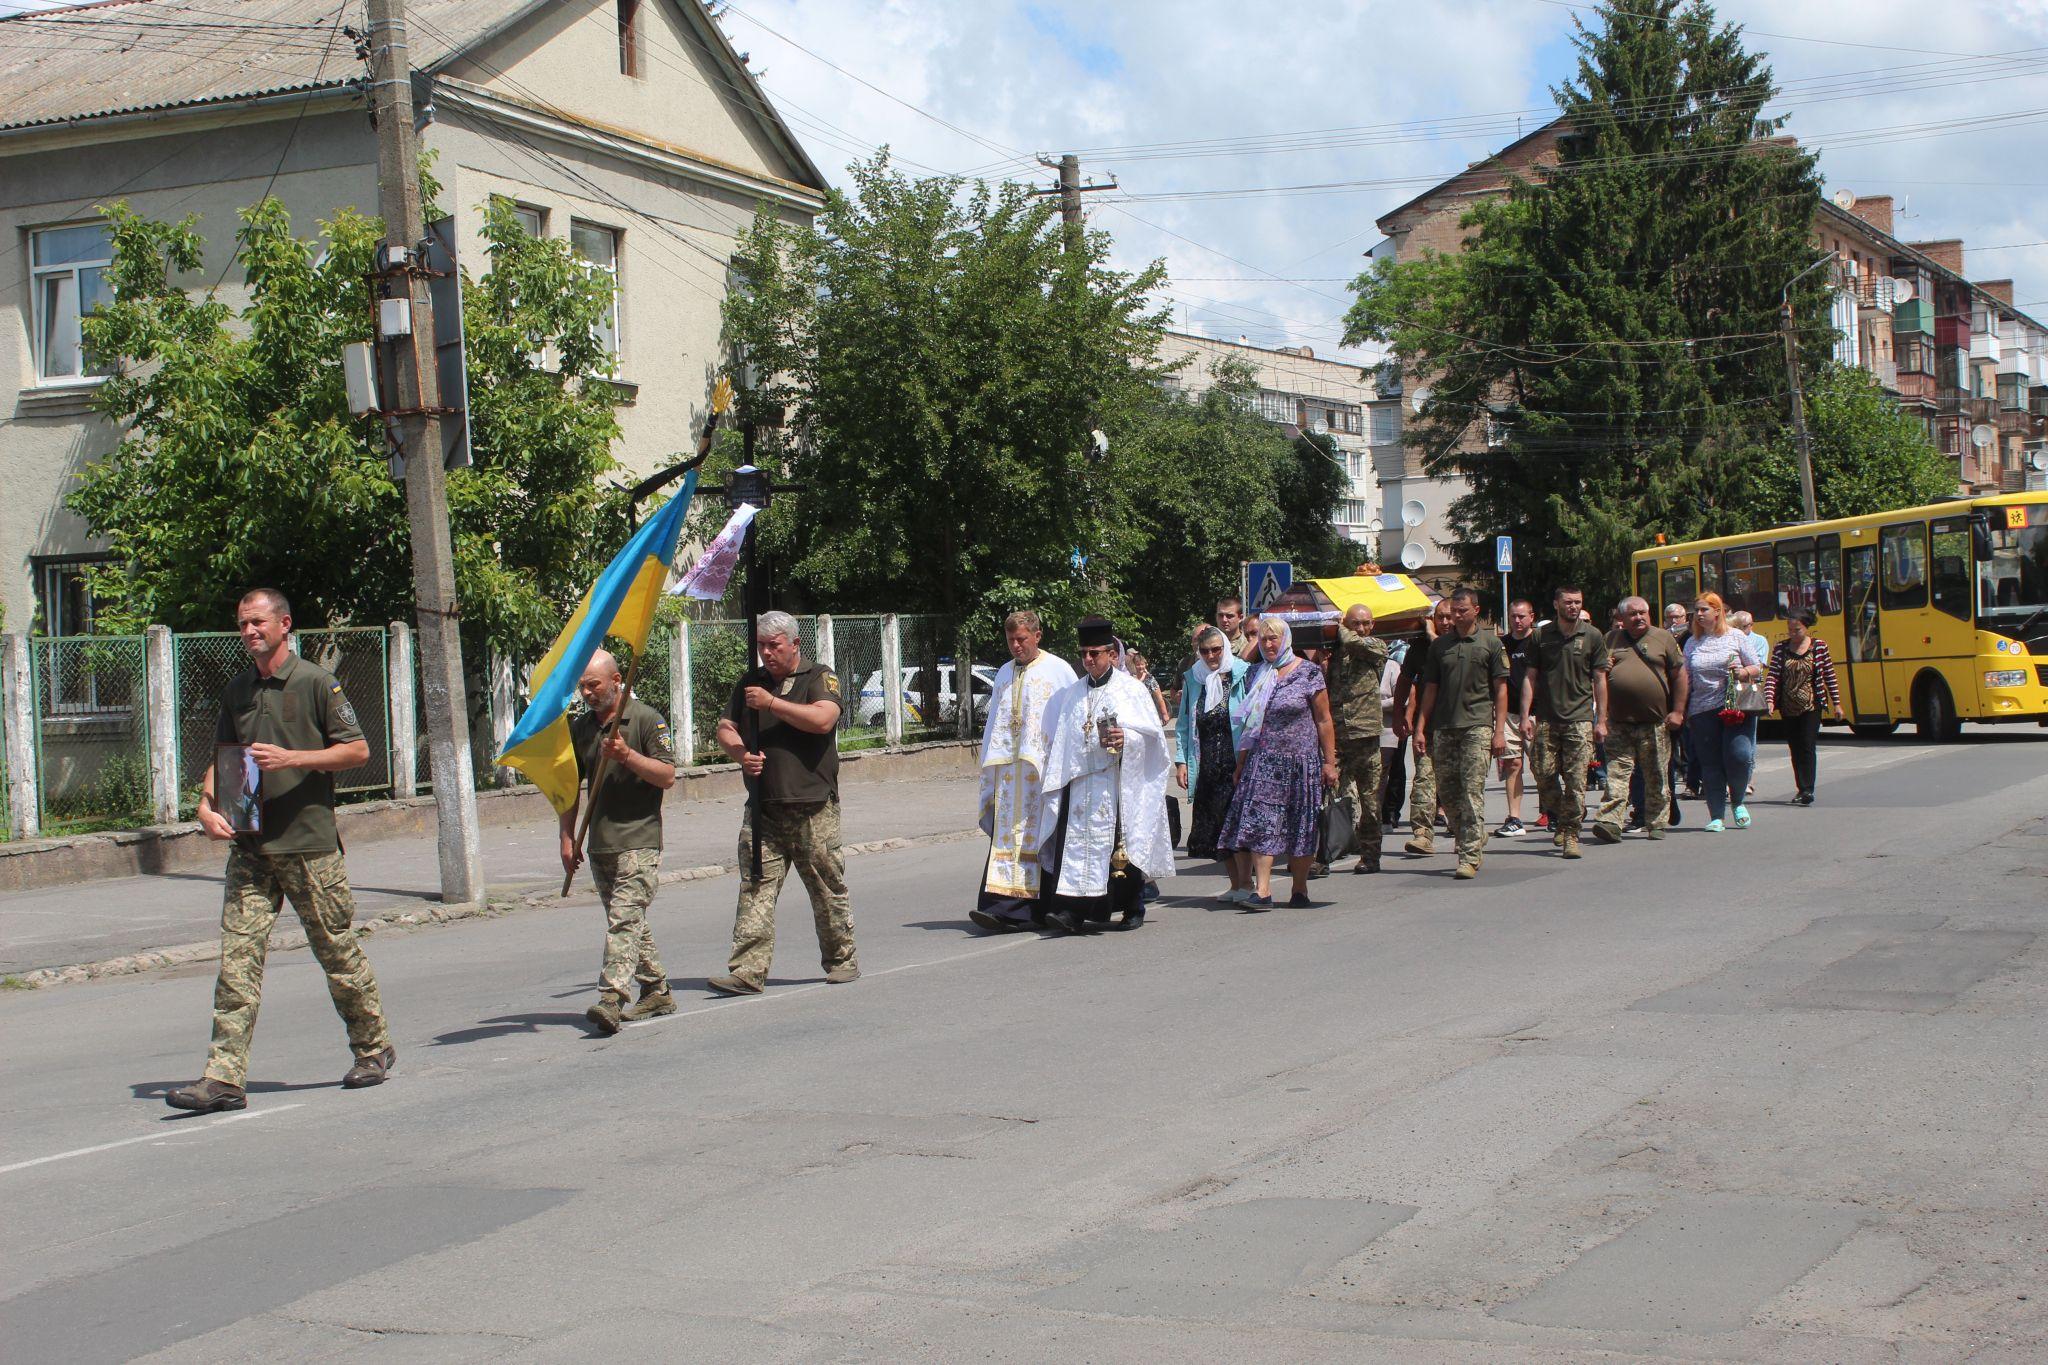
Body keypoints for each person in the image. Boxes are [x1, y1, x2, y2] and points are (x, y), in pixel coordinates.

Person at [165, 589, 393, 1112]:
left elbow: (357, 750)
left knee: (336, 952)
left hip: (309, 845)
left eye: (258, 622)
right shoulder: (239, 688)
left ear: (284, 623)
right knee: (237, 962)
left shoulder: (316, 682)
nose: (249, 631)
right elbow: (224, 758)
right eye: (242, 623)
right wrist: (203, 806)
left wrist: (295, 756)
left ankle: (373, 1048)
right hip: (251, 846)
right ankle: (223, 1078)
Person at [707, 611, 857, 994]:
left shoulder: (819, 677)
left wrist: (772, 704)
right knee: (756, 886)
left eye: (774, 646)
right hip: (764, 808)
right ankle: (747, 970)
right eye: (761, 646)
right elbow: (726, 727)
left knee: (826, 887)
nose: (767, 653)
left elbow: (823, 719)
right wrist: (741, 754)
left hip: (813, 806)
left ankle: (841, 959)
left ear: (794, 644)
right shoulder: (750, 683)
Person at [564, 649, 680, 1034]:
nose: (587, 693)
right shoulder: (581, 728)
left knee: (623, 920)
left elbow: (666, 775)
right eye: (582, 686)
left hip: (640, 838)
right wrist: (567, 837)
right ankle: (657, 989)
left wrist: (627, 755)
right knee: (630, 923)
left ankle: (611, 997)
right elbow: (568, 787)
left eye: (594, 684)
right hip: (600, 841)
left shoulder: (646, 719)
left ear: (617, 681)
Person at [1037, 616, 1175, 933]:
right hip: (1082, 785)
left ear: (1111, 653)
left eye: (1094, 653)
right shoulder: (1072, 695)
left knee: (1120, 849)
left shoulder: (1131, 691)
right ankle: (1073, 911)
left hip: (1118, 782)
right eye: (1083, 653)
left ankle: (1132, 906)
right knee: (1077, 850)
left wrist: (1128, 738)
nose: (1088, 660)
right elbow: (1063, 741)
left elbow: (1154, 738)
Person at [1217, 615, 1338, 908]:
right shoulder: (1256, 673)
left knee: (1301, 826)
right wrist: (1241, 763)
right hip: (1263, 764)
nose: (1269, 644)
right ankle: (1263, 891)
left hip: (1301, 763)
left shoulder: (1309, 673)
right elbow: (1250, 724)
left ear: (1286, 640)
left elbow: (1323, 720)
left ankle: (1299, 889)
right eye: (1264, 638)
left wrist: (1329, 762)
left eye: (1274, 638)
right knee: (1261, 825)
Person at [969, 610, 1076, 934]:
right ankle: (1004, 909)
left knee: (1043, 834)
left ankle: (1047, 908)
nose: (1015, 646)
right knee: (1009, 840)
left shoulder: (1059, 671)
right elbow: (995, 724)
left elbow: (1069, 717)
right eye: (1011, 640)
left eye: (1022, 639)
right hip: (1010, 773)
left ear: (1037, 636)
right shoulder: (1003, 673)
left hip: (1042, 770)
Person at [1412, 587, 1510, 879]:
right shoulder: (1440, 647)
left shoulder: (1490, 644)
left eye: (1462, 610)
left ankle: (1468, 855)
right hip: (1444, 727)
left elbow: (1501, 690)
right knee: (1448, 791)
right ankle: (1474, 833)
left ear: (1475, 610)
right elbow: (1430, 689)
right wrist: (1421, 727)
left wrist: (1499, 731)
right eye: (1453, 611)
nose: (1456, 616)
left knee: (1471, 792)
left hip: (1477, 726)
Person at [1519, 584, 1610, 859]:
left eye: (1578, 602)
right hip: (1547, 717)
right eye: (1568, 602)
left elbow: (1600, 680)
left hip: (1580, 718)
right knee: (1543, 773)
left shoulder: (1592, 636)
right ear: (1557, 604)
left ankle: (1571, 833)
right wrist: (1525, 716)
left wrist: (1601, 720)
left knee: (1576, 780)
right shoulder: (1541, 636)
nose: (1573, 607)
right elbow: (1529, 677)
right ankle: (1560, 814)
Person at [1593, 597, 1687, 843]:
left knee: (1655, 773)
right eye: (1633, 614)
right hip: (1619, 722)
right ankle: (1610, 821)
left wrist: (1677, 711)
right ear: (1622, 619)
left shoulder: (1663, 638)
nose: (1639, 617)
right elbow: (1598, 678)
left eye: (1643, 612)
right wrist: (1601, 720)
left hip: (1654, 722)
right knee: (1616, 773)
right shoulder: (1610, 640)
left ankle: (1656, 822)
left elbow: (1679, 675)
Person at [1177, 625, 1253, 901]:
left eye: (1216, 650)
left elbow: (1252, 719)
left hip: (1235, 763)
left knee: (1238, 826)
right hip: (1207, 765)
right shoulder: (1193, 679)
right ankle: (1235, 886)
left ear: (1225, 648)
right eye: (1205, 651)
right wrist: (1181, 761)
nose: (1211, 656)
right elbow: (1184, 724)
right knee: (1220, 828)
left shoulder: (1241, 673)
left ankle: (1247, 884)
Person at [1682, 593, 1764, 833]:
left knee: (1739, 755)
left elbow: (1757, 668)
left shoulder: (1736, 636)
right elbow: (1686, 677)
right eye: (1696, 610)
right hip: (1701, 710)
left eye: (1704, 610)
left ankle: (1737, 801)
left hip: (1735, 706)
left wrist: (1742, 672)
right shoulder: (1691, 642)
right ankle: (1716, 815)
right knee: (1711, 763)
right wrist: (1682, 708)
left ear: (1717, 612)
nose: (1699, 614)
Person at [1330, 603, 1394, 874]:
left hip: (1365, 736)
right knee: (1328, 799)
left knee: (1370, 801)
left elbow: (1357, 644)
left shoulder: (1376, 647)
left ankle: (1370, 855)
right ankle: (1324, 854)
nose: (1360, 628)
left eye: (1365, 623)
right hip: (1337, 735)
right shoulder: (1335, 650)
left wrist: (1341, 627)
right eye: (1354, 623)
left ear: (1372, 625)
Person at [1398, 597, 1457, 856]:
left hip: (1460, 727)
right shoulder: (1420, 647)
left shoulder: (1464, 643)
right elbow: (1405, 678)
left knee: (1458, 784)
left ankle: (1464, 831)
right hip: (1428, 726)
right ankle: (1422, 834)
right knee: (1423, 781)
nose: (1444, 622)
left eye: (1449, 617)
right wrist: (1402, 711)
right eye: (1439, 617)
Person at [1765, 609, 1842, 806]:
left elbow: (1829, 676)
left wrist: (1837, 704)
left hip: (1812, 704)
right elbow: (1773, 676)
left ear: (1806, 628)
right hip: (1788, 706)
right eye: (1789, 629)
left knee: (1807, 745)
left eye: (1796, 629)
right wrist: (1770, 699)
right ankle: (1800, 787)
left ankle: (1808, 789)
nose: (1792, 633)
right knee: (1795, 747)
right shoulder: (1781, 649)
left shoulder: (1819, 647)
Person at [1495, 599, 1536, 837]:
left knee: (1543, 767)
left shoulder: (1539, 642)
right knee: (1513, 764)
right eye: (1513, 617)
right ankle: (1515, 818)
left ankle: (1553, 812)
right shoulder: (1502, 644)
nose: (1517, 621)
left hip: (1536, 712)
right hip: (1509, 713)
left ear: (1532, 616)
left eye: (1522, 616)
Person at [1127, 649, 1171, 726]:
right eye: (1138, 664)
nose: (1140, 667)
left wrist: (1164, 714)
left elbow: (1159, 698)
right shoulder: (1129, 679)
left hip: (1149, 713)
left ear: (1145, 665)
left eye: (1142, 664)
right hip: (1134, 714)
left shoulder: (1150, 679)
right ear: (1134, 665)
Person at [1216, 594, 1258, 663]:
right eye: (1220, 615)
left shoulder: (1249, 644)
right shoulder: (1209, 644)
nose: (1224, 620)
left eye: (1229, 616)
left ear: (1240, 618)